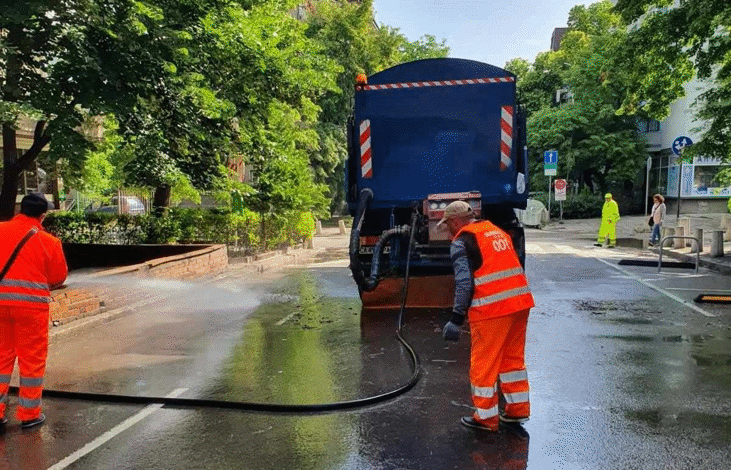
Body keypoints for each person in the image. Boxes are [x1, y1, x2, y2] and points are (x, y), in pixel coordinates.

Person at [438, 201, 534, 432]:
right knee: (512, 361)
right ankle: (517, 410)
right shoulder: (495, 231)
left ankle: (485, 418)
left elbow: (464, 282)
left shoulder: (462, 241)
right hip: (520, 303)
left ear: (455, 221)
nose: (448, 230)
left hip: (492, 309)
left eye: (448, 224)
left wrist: (456, 318)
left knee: (483, 365)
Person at [0, 193, 67, 433]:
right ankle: (29, 415)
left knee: (0, 358)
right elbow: (58, 278)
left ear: (20, 208)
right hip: (31, 309)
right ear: (43, 215)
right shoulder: (50, 241)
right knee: (32, 361)